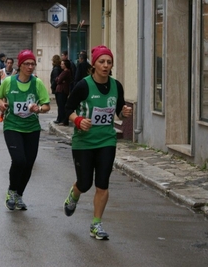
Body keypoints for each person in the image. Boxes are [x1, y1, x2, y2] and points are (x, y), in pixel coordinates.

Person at [63, 45, 132, 240]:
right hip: (83, 142)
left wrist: (124, 113)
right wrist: (78, 120)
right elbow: (67, 109)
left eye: (109, 62)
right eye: (102, 61)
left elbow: (119, 110)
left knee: (102, 184)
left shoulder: (116, 86)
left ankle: (96, 224)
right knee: (85, 183)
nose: (105, 65)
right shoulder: (83, 86)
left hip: (106, 141)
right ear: (94, 64)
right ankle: (74, 194)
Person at [0, 49, 50, 211]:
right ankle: (11, 191)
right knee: (19, 160)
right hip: (12, 126)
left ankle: (19, 195)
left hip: (32, 128)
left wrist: (38, 108)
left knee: (28, 164)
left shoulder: (37, 83)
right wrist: (1, 103)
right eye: (27, 64)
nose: (30, 67)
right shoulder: (9, 82)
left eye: (33, 64)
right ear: (20, 65)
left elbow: (47, 105)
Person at [54, 59, 72, 126]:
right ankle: (60, 119)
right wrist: (58, 79)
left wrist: (59, 79)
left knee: (62, 106)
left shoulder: (66, 72)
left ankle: (63, 120)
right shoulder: (63, 71)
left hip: (62, 91)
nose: (61, 65)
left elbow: (58, 80)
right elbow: (57, 79)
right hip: (60, 90)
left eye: (62, 64)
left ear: (65, 65)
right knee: (60, 106)